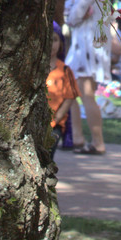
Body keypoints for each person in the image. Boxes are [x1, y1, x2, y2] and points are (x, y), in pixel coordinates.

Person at [64, 0, 112, 155]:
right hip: (89, 45)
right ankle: (78, 137)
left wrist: (72, 16)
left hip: (86, 47)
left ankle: (97, 141)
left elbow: (74, 14)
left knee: (85, 94)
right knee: (74, 92)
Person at [46, 23, 79, 158]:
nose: (51, 44)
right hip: (34, 124)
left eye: (55, 40)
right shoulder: (34, 68)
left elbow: (70, 97)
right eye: (48, 39)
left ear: (60, 43)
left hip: (55, 125)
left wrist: (55, 119)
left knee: (47, 157)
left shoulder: (65, 70)